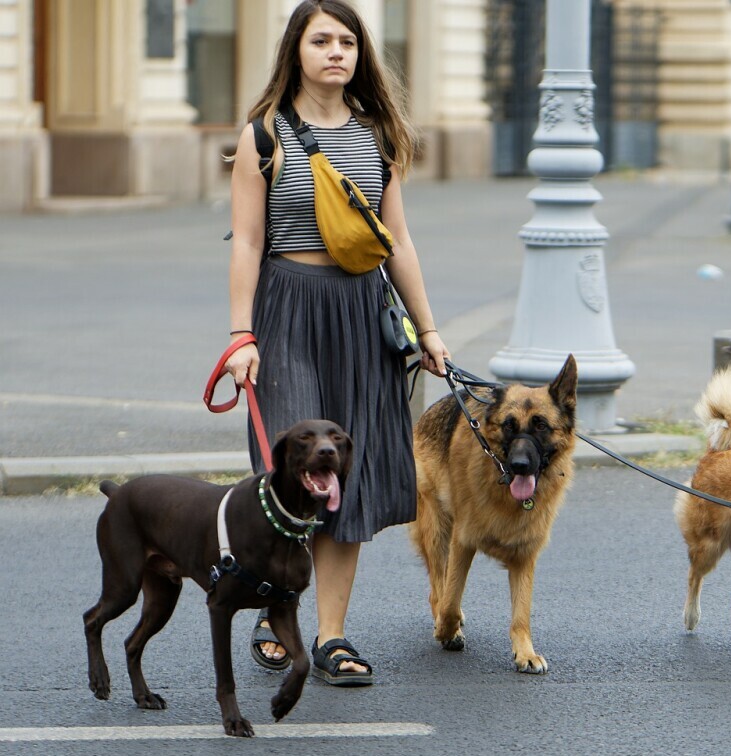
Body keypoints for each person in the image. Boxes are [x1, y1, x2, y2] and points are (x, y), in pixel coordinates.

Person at [225, 0, 449, 686]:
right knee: (292, 468)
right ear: (296, 49)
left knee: (342, 480)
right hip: (286, 307)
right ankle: (276, 606)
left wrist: (430, 329)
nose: (335, 52)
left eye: (347, 41)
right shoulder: (263, 136)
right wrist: (241, 336)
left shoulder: (378, 135)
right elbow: (249, 245)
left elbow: (399, 241)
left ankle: (331, 637)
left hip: (360, 312)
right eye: (321, 39)